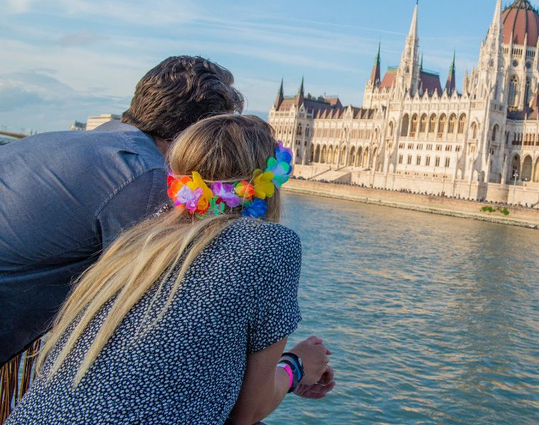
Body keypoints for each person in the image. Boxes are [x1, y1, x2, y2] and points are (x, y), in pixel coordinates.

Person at [7, 114, 335, 424]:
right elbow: (250, 410)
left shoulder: (137, 239)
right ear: (269, 182)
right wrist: (296, 366)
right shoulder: (271, 243)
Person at [0, 55, 244, 366]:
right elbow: (158, 323)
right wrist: (289, 367)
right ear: (195, 136)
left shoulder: (60, 143)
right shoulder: (145, 177)